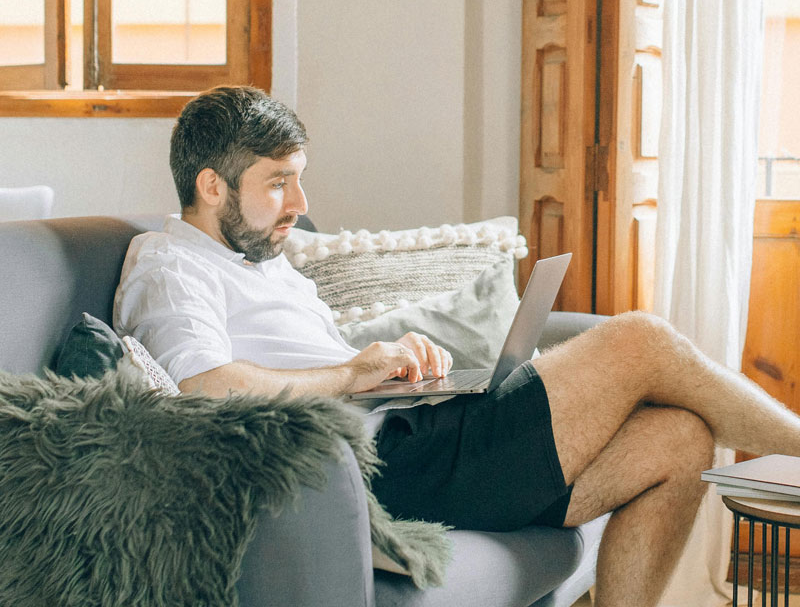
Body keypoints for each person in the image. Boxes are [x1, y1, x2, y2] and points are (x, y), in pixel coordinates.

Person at [114, 85, 800, 607]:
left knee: (678, 438)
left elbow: (305, 360)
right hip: (382, 467)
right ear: (211, 186)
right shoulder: (169, 266)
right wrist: (353, 375)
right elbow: (203, 388)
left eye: (299, 177)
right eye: (277, 181)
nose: (300, 200)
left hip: (415, 431)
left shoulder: (261, 259)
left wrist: (387, 356)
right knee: (639, 341)